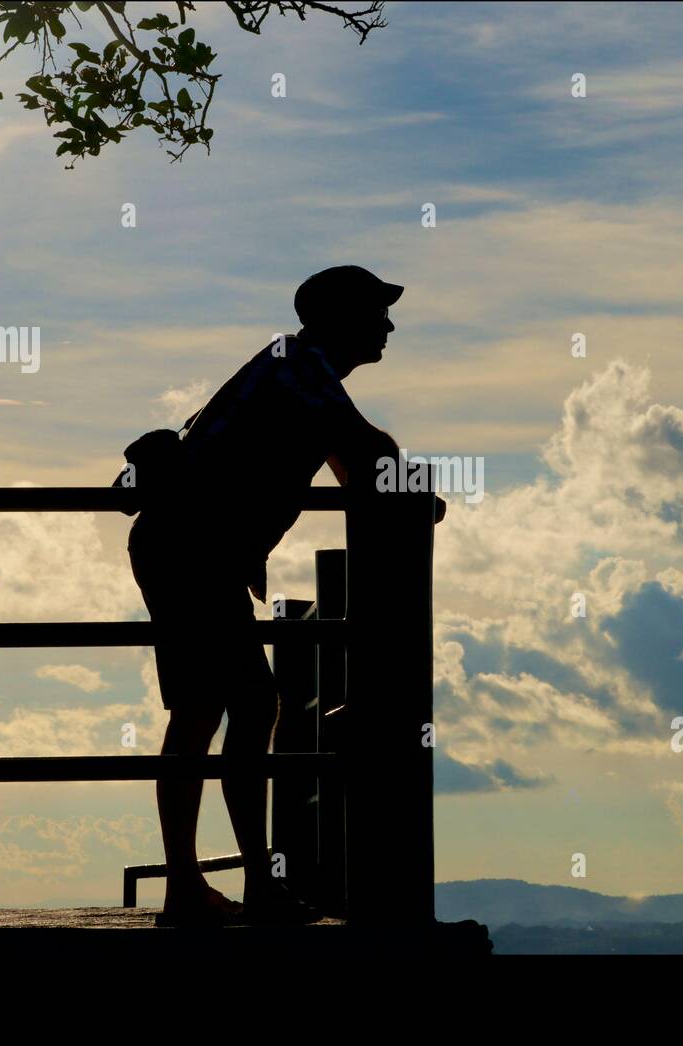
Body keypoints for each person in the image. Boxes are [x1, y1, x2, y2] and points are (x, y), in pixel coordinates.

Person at [128, 265, 445, 926]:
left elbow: (350, 454)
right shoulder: (299, 366)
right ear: (340, 319)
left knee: (227, 708)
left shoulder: (299, 371)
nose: (388, 325)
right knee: (225, 708)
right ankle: (211, 889)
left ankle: (227, 885)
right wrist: (408, 490)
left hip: (189, 550)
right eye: (375, 312)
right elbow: (361, 445)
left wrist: (385, 476)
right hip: (192, 552)